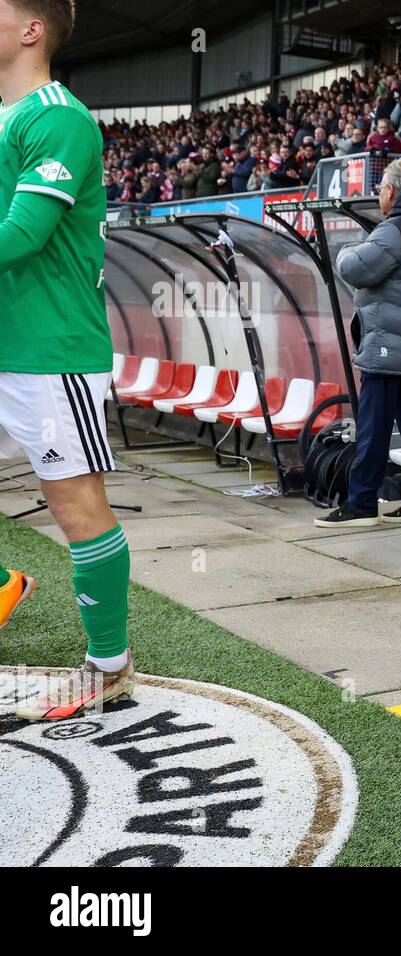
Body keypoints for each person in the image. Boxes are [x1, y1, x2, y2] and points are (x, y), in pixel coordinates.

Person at [0, 0, 137, 721]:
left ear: (32, 29)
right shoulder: (5, 119)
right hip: (5, 343)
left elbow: (22, 234)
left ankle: (108, 664)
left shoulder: (59, 116)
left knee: (75, 508)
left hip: (52, 352)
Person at [316, 160, 401, 528]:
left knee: (373, 426)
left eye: (380, 190)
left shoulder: (394, 231)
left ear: (393, 191)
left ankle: (360, 504)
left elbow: (355, 268)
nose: (378, 196)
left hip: (388, 347)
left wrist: (346, 250)